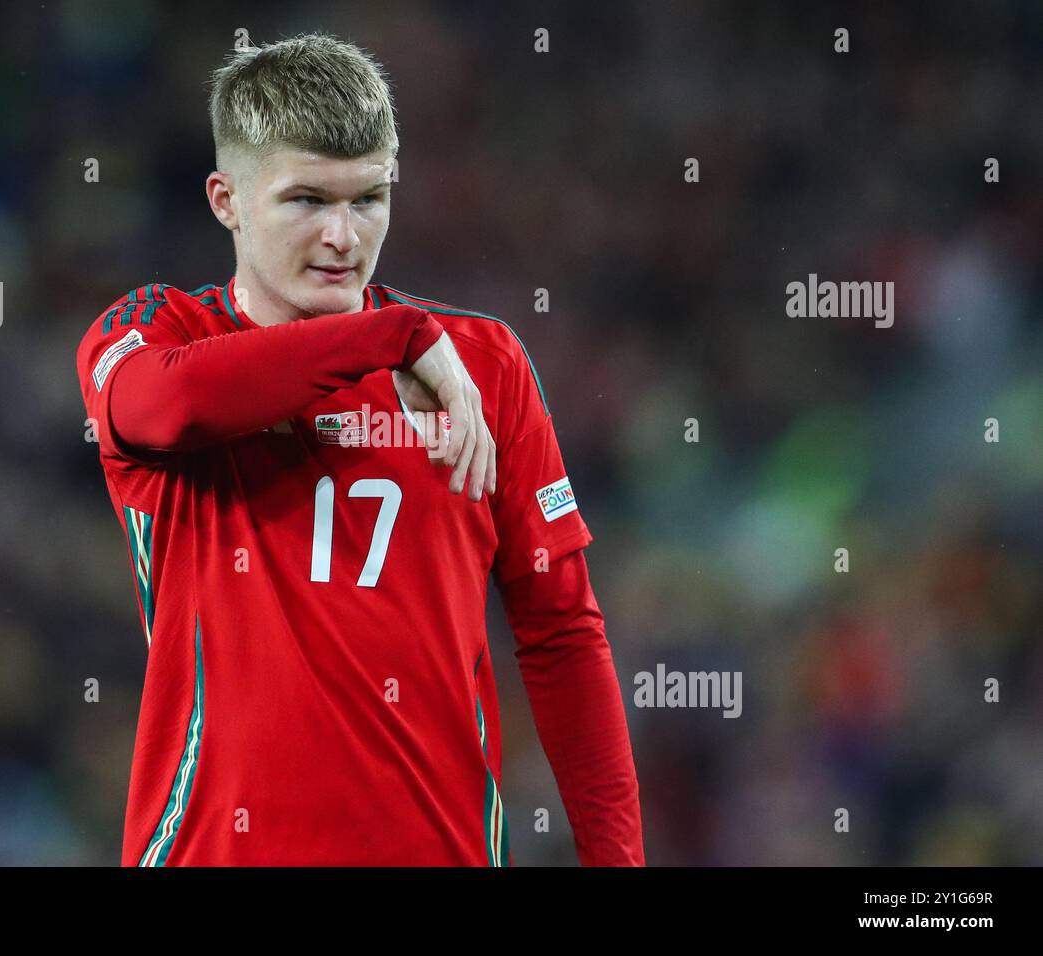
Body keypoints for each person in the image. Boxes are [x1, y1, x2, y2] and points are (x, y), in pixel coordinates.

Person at [75, 31, 644, 866]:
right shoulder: (154, 333)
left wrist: (618, 862)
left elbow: (562, 632)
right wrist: (394, 337)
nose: (344, 236)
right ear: (226, 198)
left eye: (369, 198)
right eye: (306, 200)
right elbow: (170, 406)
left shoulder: (482, 365)